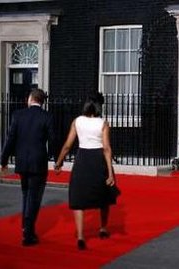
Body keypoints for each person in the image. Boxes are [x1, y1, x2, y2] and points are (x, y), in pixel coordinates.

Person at [54, 92, 115, 250]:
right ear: (99, 107)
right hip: (98, 158)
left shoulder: (77, 121)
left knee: (78, 196)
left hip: (82, 159)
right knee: (105, 195)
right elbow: (107, 149)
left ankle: (80, 236)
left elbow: (67, 145)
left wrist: (59, 162)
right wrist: (110, 173)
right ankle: (103, 228)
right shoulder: (103, 123)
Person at [0, 88, 56, 246]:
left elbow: (10, 139)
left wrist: (3, 161)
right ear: (41, 100)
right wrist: (56, 159)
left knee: (26, 194)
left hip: (22, 161)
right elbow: (52, 140)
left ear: (31, 99)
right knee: (35, 198)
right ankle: (28, 232)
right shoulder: (47, 116)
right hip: (38, 162)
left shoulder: (18, 115)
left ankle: (25, 226)